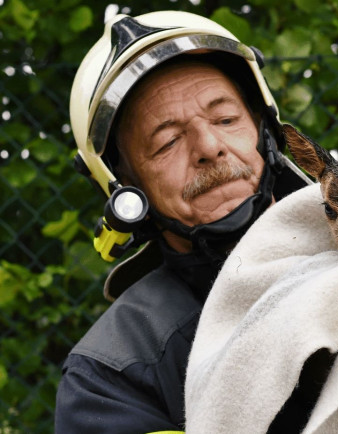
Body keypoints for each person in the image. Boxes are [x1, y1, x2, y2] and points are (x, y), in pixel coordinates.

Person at [55, 10, 318, 433]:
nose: (210, 147)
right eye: (168, 141)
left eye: (226, 119)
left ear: (265, 129)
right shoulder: (111, 377)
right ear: (124, 185)